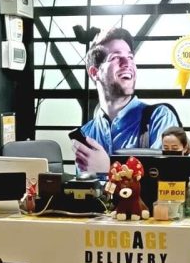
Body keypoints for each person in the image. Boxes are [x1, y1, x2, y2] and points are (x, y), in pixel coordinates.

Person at [73, 28, 180, 174]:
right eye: (116, 57)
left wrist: (108, 169)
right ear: (94, 72)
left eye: (130, 57)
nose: (127, 63)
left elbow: (170, 178)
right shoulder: (86, 134)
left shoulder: (159, 118)